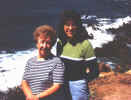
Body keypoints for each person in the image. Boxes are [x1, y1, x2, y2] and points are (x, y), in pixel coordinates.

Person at [56, 10, 99, 100]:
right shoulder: (60, 43)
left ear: (78, 26)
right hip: (62, 85)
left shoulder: (85, 44)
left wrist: (81, 81)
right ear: (62, 26)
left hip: (78, 87)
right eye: (67, 25)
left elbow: (94, 71)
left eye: (73, 25)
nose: (70, 28)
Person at [21, 25, 65, 100]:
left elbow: (57, 85)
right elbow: (24, 82)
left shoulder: (56, 62)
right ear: (37, 43)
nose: (44, 46)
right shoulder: (30, 62)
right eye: (42, 42)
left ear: (52, 45)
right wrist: (30, 96)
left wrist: (37, 97)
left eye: (48, 43)